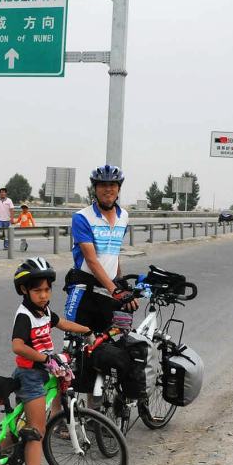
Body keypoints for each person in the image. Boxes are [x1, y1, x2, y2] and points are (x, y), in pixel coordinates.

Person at [9, 257, 92, 465]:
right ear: (24, 290)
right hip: (30, 376)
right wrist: (45, 358)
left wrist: (87, 330)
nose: (44, 295)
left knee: (16, 424)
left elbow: (61, 322)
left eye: (47, 289)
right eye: (37, 291)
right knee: (36, 432)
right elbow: (17, 346)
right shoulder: (25, 315)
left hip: (40, 373)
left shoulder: (43, 311)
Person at [63, 165, 140, 398]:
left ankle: (93, 413)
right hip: (83, 291)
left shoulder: (124, 216)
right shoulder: (82, 217)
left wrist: (121, 283)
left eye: (112, 185)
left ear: (118, 189)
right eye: (103, 185)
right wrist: (115, 290)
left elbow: (113, 255)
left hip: (107, 292)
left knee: (103, 354)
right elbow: (92, 261)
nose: (108, 189)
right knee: (72, 357)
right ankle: (59, 414)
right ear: (95, 189)